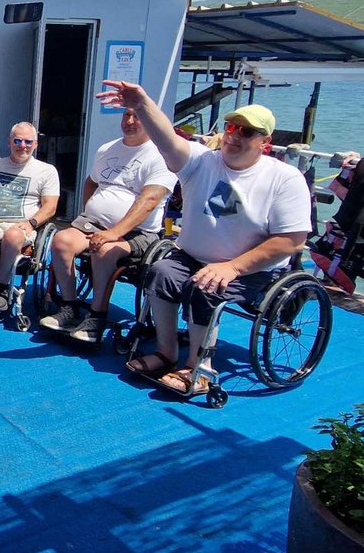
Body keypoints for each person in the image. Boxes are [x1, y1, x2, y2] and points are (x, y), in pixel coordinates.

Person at [96, 82, 312, 395]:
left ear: (265, 142)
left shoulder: (285, 179)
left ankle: (199, 367)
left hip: (249, 269)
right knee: (159, 272)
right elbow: (167, 140)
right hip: (191, 256)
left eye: (246, 132)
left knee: (206, 286)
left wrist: (233, 267)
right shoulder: (201, 162)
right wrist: (142, 104)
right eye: (231, 127)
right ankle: (166, 352)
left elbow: (291, 241)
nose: (234, 135)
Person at [39, 108, 177, 342]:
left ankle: (97, 316)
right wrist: (89, 213)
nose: (130, 121)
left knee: (104, 249)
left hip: (138, 233)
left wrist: (114, 233)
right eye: (126, 115)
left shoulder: (161, 156)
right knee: (62, 241)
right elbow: (91, 182)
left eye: (137, 117)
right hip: (95, 224)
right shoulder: (107, 149)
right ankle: (69, 308)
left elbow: (150, 200)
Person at [0, 122, 60, 312]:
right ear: (9, 142)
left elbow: (50, 207)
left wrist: (32, 223)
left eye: (28, 141)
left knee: (13, 235)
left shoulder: (47, 170)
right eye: (17, 141)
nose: (22, 145)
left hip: (23, 225)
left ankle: (1, 286)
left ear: (35, 144)